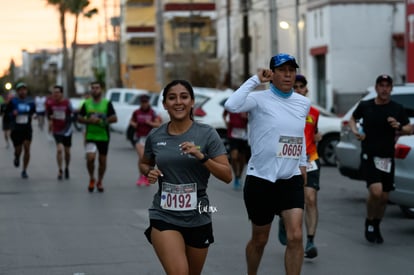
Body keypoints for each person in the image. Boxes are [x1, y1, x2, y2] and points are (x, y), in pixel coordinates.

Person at [224, 53, 310, 275]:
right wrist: (255, 80)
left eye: (291, 70)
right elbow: (231, 105)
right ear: (272, 74)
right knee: (260, 239)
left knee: (296, 236)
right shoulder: (258, 99)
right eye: (282, 70)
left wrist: (302, 163)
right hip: (261, 178)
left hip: (290, 178)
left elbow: (298, 135)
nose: (288, 75)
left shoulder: (302, 103)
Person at [140, 80, 232, 275]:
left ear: (192, 102)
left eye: (184, 97)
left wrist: (202, 157)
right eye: (172, 98)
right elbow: (144, 163)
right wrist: (149, 172)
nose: (178, 102)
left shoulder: (207, 134)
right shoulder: (155, 135)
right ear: (164, 104)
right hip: (164, 214)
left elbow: (227, 175)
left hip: (199, 214)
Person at [349, 74, 412, 244]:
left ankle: (376, 224)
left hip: (387, 158)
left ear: (391, 89)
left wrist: (399, 126)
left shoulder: (397, 108)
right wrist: (355, 132)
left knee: (384, 197)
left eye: (387, 86)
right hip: (369, 155)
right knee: (375, 192)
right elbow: (352, 119)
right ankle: (369, 222)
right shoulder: (365, 106)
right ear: (376, 88)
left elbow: (409, 128)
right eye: (381, 85)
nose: (384, 89)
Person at [278, 74, 322, 259]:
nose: (298, 89)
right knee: (288, 200)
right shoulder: (281, 109)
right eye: (294, 86)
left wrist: (315, 139)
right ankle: (283, 218)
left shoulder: (314, 112)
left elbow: (314, 133)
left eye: (301, 86)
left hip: (310, 158)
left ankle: (310, 240)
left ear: (306, 89)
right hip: (287, 159)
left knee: (310, 199)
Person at [78, 81, 117, 192]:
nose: (95, 90)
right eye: (93, 88)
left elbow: (114, 118)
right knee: (90, 159)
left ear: (101, 90)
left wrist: (103, 120)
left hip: (103, 136)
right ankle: (91, 178)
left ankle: (100, 180)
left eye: (97, 87)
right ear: (91, 90)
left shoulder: (107, 103)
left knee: (102, 161)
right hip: (91, 135)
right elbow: (79, 118)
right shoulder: (87, 103)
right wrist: (88, 120)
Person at [129, 94, 162, 186]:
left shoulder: (152, 112)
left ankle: (147, 176)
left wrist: (149, 123)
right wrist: (134, 124)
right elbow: (131, 121)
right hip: (139, 137)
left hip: (150, 139)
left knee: (149, 159)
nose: (144, 104)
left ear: (148, 102)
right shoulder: (136, 112)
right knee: (142, 157)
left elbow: (158, 124)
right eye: (142, 102)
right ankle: (142, 176)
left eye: (146, 102)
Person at [7, 82, 36, 178]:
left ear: (26, 91)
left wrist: (35, 115)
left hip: (27, 128)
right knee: (18, 150)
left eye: (24, 89)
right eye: (20, 90)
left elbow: (34, 112)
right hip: (16, 129)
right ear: (17, 91)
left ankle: (24, 170)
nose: (22, 91)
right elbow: (6, 114)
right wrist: (12, 114)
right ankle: (17, 157)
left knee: (27, 148)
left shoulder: (30, 101)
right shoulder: (13, 101)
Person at [46, 85, 73, 180]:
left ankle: (67, 167)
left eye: (57, 92)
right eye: (54, 92)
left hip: (67, 130)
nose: (55, 94)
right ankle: (60, 170)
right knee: (59, 150)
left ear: (61, 93)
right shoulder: (50, 103)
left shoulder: (67, 103)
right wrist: (50, 119)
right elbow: (48, 114)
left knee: (67, 152)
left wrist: (69, 118)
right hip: (56, 130)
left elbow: (73, 114)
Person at [222, 109, 249, 189]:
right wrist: (226, 121)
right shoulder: (232, 103)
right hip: (233, 134)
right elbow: (224, 114)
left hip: (244, 135)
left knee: (242, 159)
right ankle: (236, 176)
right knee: (234, 156)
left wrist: (247, 117)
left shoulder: (247, 103)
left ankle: (239, 176)